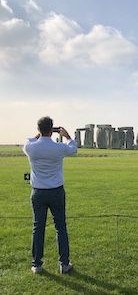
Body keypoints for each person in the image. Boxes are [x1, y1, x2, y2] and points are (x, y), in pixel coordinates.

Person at [23, 116, 77, 274]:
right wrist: (67, 137)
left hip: (38, 192)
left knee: (38, 228)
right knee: (61, 227)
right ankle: (64, 264)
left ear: (39, 129)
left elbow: (30, 141)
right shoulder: (58, 148)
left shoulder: (30, 147)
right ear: (52, 130)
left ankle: (37, 265)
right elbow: (73, 148)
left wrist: (38, 134)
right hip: (56, 191)